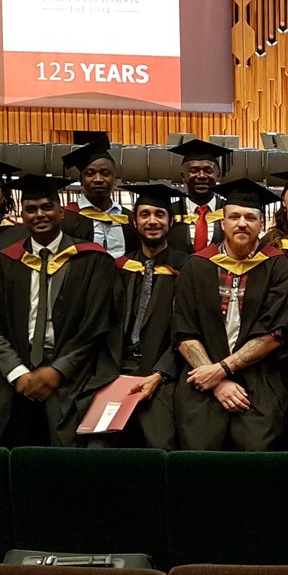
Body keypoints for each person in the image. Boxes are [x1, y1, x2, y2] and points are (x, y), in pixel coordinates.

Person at [0, 175, 116, 447]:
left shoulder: (92, 259)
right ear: (21, 215)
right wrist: (17, 372)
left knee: (67, 443)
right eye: (31, 209)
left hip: (70, 365)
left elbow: (95, 326)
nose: (39, 215)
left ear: (61, 211)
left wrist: (58, 370)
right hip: (14, 363)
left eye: (47, 207)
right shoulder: (6, 262)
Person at [172, 178, 288, 450]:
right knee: (199, 454)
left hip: (260, 379)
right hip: (201, 377)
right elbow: (184, 332)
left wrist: (222, 370)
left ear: (261, 224)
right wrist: (215, 380)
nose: (242, 223)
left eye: (250, 218)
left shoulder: (279, 267)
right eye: (235, 217)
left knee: (255, 453)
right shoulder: (196, 266)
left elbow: (275, 333)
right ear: (223, 222)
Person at [92, 183, 190, 450]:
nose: (152, 221)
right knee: (97, 447)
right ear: (134, 221)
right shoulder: (119, 267)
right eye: (145, 214)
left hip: (163, 374)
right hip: (117, 371)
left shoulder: (188, 269)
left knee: (160, 445)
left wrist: (161, 373)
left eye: (159, 214)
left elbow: (190, 331)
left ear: (171, 221)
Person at [60, 134, 134, 259]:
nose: (98, 179)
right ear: (81, 180)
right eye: (90, 174)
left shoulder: (128, 218)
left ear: (115, 179)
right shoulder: (68, 219)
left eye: (105, 173)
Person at [167, 138, 232, 254]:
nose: (201, 176)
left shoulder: (229, 211)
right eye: (194, 170)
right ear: (183, 176)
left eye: (208, 171)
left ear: (218, 175)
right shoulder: (170, 212)